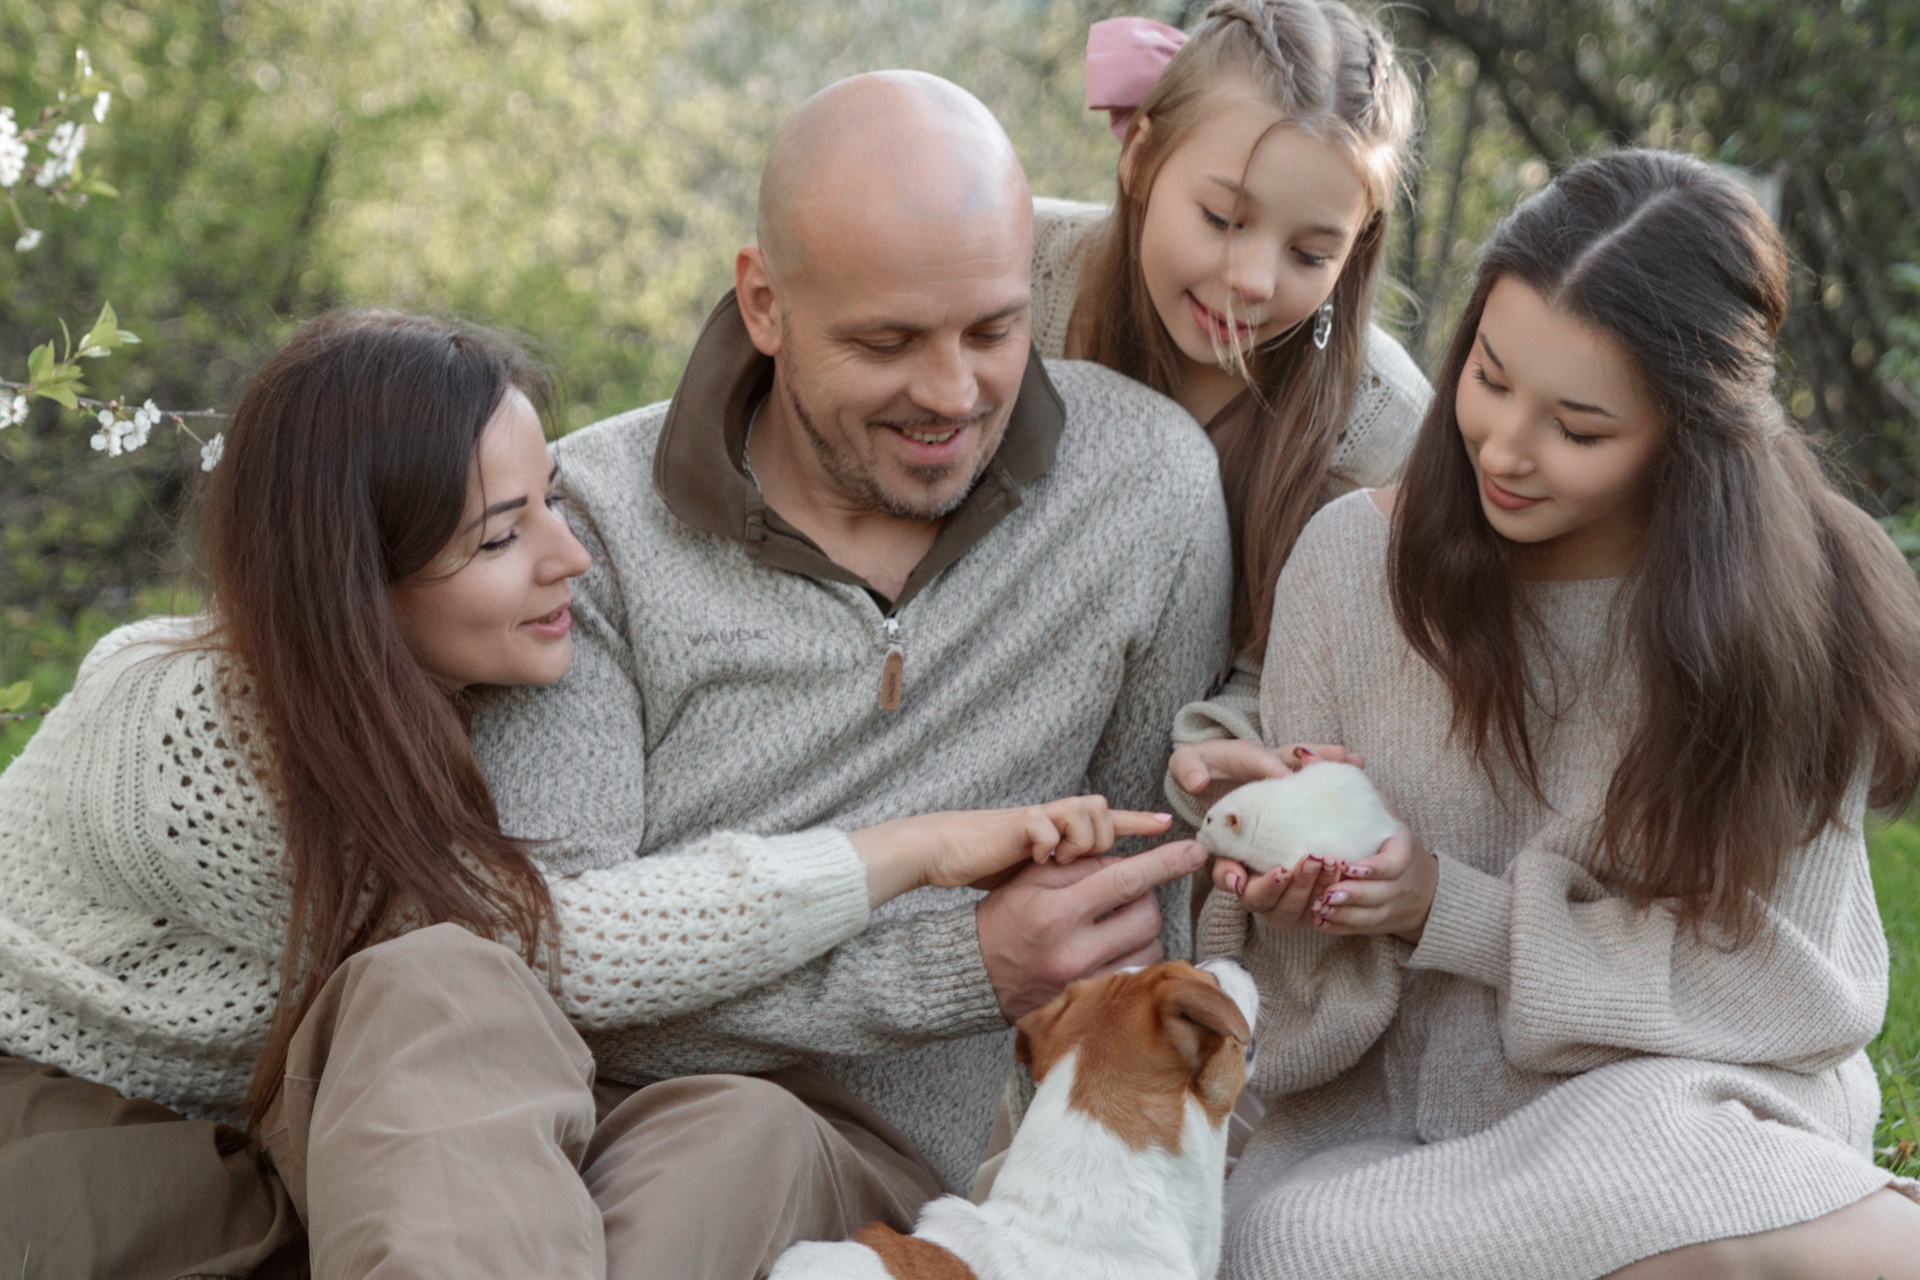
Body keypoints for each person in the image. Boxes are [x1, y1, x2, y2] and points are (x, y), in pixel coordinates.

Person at [0, 310, 1161, 1278]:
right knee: (448, 982)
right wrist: (910, 852)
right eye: (502, 536)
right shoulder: (186, 736)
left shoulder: (444, 690)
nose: (572, 556)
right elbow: (558, 942)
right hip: (76, 1117)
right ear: (355, 578)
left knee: (731, 1127)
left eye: (551, 500)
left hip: (307, 1126)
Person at [467, 69, 1231, 1277]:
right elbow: (552, 962)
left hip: (867, 1166)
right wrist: (957, 965)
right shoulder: (584, 528)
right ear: (764, 302)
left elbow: (1158, 904)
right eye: (887, 341)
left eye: (993, 330)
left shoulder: (1144, 489)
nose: (952, 393)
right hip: (550, 1114)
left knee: (737, 1137)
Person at [1199, 149, 1920, 1277]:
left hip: (1677, 1103)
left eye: (1578, 430)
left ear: (1693, 435)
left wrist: (1451, 908)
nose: (1502, 448)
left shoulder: (1792, 614)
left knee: (1665, 1156)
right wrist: (1299, 891)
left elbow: (1783, 992)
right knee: (1296, 1242)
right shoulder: (1347, 569)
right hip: (1402, 1145)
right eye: (1489, 378)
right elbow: (1299, 1039)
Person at [1026, 0, 1429, 824]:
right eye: (1222, 218)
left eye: (1310, 254)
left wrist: (1229, 746)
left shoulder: (1382, 428)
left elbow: (1310, 668)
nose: (1253, 279)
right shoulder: (1016, 276)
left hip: (1188, 828)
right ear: (1142, 157)